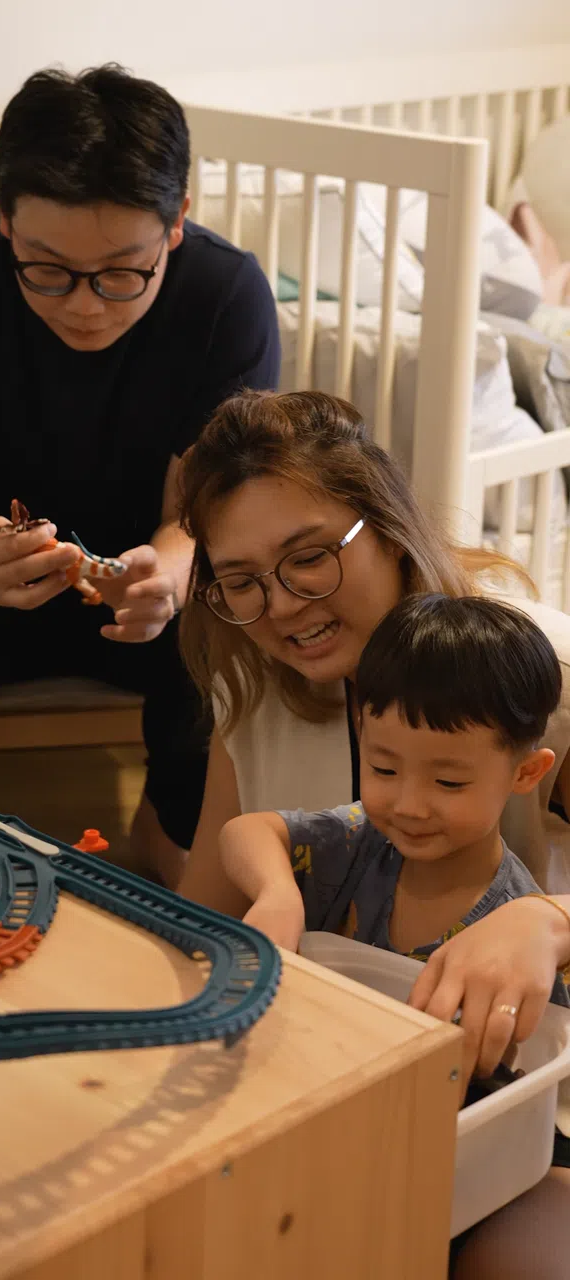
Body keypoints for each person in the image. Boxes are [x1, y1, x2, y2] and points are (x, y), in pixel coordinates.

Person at [176, 389, 570, 1278]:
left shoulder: (537, 678)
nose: (281, 605)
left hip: (510, 1123)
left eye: (308, 559)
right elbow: (204, 912)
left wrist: (547, 920)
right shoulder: (257, 704)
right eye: (241, 581)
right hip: (329, 1099)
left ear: (385, 528)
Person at [0, 64, 280, 888]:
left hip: (139, 611)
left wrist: (169, 577)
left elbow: (202, 516)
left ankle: (169, 842)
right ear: (4, 218)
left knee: (231, 591)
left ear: (177, 224)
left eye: (123, 272)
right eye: (46, 268)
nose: (85, 305)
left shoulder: (225, 297)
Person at [219, 594, 568, 1015]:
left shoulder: (516, 935)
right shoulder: (361, 840)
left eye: (448, 781)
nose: (409, 806)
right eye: (384, 769)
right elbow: (245, 831)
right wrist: (277, 894)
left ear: (526, 773)